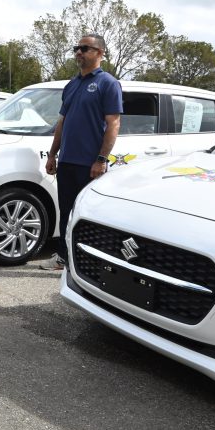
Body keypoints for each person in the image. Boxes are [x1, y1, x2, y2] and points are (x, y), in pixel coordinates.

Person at [42, 33, 123, 270]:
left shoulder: (108, 83)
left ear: (100, 53)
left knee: (86, 215)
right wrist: (52, 154)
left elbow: (114, 124)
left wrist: (100, 159)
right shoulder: (72, 84)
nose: (79, 52)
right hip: (67, 161)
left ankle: (86, 263)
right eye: (77, 48)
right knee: (66, 211)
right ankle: (63, 258)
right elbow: (62, 122)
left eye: (85, 48)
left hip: (89, 163)